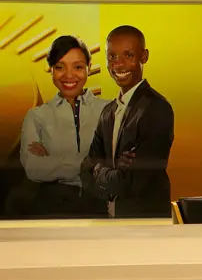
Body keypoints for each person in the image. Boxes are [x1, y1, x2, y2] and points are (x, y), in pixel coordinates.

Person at [80, 25, 174, 218]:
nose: (118, 65)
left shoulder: (156, 109)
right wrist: (111, 171)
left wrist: (100, 170)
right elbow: (85, 171)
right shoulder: (108, 112)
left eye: (128, 55)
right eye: (112, 57)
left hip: (145, 224)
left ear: (144, 56)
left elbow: (133, 182)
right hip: (110, 222)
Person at [13, 35, 110, 217]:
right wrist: (91, 164)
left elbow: (118, 163)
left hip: (100, 209)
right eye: (60, 67)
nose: (69, 75)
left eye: (78, 67)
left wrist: (53, 159)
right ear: (51, 70)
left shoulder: (108, 110)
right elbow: (34, 168)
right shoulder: (36, 116)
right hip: (51, 211)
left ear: (89, 68)